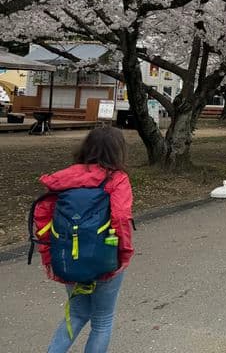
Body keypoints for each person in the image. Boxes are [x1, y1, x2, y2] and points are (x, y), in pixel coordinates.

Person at [34, 126, 134, 353]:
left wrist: (50, 258)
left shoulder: (63, 178)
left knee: (78, 314)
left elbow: (42, 220)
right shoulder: (117, 179)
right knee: (102, 320)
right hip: (105, 259)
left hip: (67, 257)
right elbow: (120, 218)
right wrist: (123, 255)